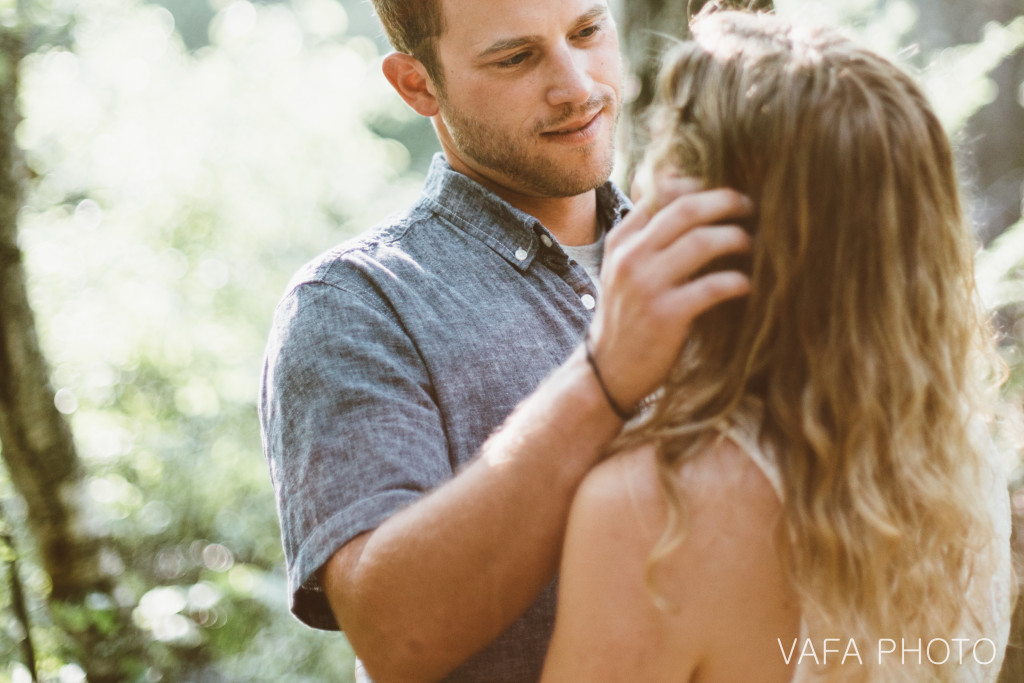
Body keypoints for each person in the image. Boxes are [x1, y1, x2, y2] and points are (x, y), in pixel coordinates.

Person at [258, 0, 756, 681]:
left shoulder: (713, 252)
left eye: (587, 31)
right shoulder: (353, 304)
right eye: (516, 58)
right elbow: (396, 636)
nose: (578, 86)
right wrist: (603, 378)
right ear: (416, 84)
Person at [541, 10, 1016, 683]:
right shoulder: (960, 464)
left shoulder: (654, 515)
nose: (634, 194)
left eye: (659, 150)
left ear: (704, 225)